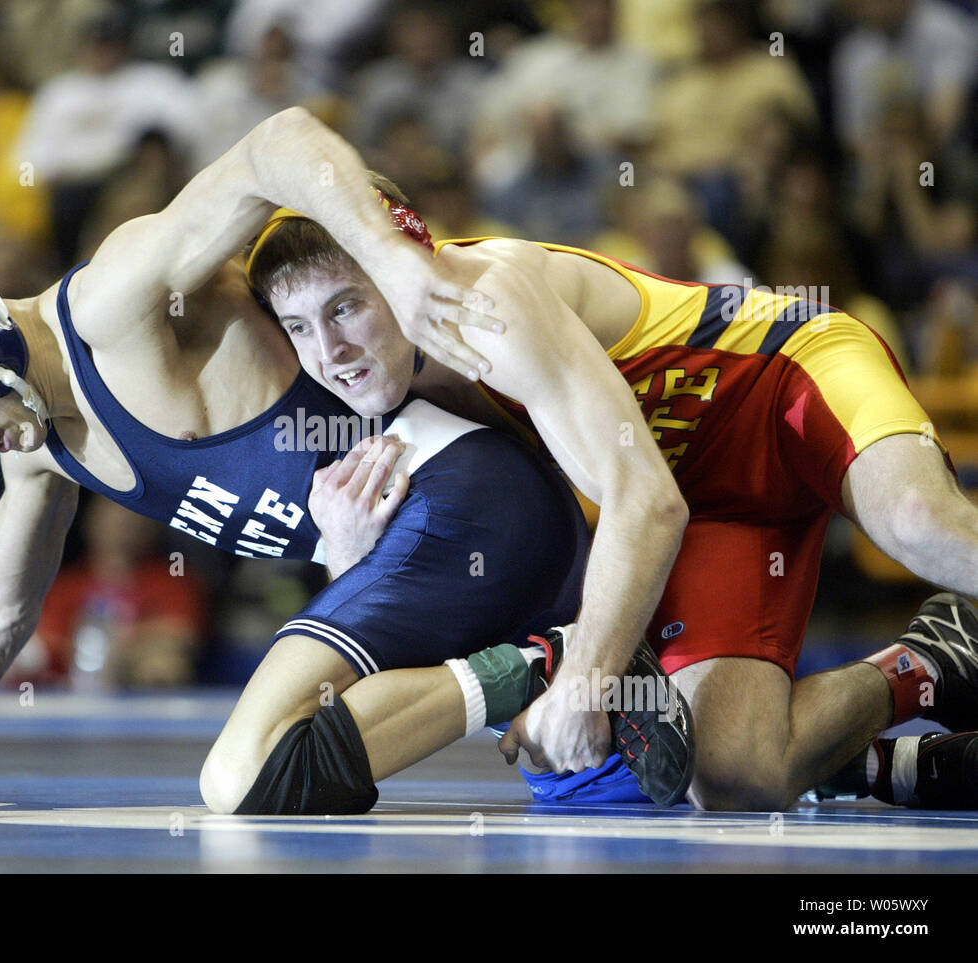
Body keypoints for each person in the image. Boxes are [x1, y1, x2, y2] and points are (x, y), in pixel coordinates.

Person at [0, 109, 692, 813]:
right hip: (422, 557)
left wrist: (393, 259)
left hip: (469, 500)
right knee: (685, 773)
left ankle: (547, 661)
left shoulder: (117, 305)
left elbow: (279, 144)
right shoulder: (38, 452)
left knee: (245, 775)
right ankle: (641, 687)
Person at [244, 182, 978, 811]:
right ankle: (939, 655)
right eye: (300, 325)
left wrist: (585, 682)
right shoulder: (387, 407)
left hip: (782, 376)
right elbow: (440, 606)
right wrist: (346, 561)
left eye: (345, 307)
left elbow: (643, 502)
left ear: (402, 273)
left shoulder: (483, 301)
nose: (329, 354)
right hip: (705, 502)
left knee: (919, 525)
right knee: (733, 773)